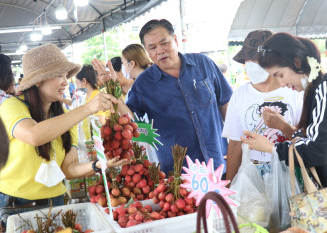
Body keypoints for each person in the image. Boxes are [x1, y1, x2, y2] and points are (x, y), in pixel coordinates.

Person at [241, 32, 327, 217]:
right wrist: (286, 128)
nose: (281, 83)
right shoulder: (322, 89)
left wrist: (271, 148)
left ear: (297, 63)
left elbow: (317, 151)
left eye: (280, 75)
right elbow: (319, 139)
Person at [0, 44, 128, 229]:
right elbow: (33, 134)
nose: (65, 82)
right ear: (37, 80)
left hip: (56, 204)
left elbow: (69, 169)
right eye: (59, 75)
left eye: (66, 76)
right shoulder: (12, 106)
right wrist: (88, 108)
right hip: (15, 208)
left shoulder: (66, 118)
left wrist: (98, 165)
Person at [94, 19, 232, 174]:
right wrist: (115, 95)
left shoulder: (203, 64)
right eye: (152, 47)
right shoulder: (143, 84)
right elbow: (132, 122)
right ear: (147, 52)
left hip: (219, 164)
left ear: (175, 40)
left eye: (164, 43)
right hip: (179, 175)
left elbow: (226, 106)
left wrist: (235, 150)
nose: (160, 51)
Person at [223, 30, 303, 181]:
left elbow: (305, 138)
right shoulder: (240, 94)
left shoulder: (294, 91)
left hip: (290, 171)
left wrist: (283, 126)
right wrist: (229, 186)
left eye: (258, 60)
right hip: (252, 176)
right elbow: (235, 143)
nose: (251, 65)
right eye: (248, 60)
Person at [76, 64, 108, 140]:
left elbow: (100, 124)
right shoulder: (85, 97)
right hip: (88, 141)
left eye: (77, 83)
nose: (76, 86)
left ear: (84, 81)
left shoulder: (97, 96)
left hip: (97, 143)